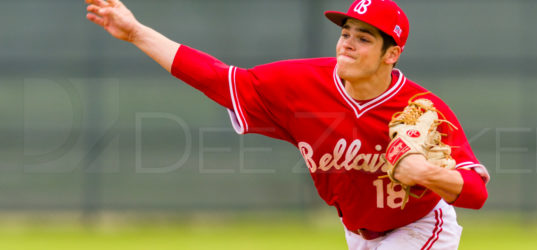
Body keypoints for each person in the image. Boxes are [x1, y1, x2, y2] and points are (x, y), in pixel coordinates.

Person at [85, 0, 490, 249]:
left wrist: (427, 172)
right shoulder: (301, 84)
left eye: (364, 38)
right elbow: (214, 76)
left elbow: (475, 193)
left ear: (391, 54)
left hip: (419, 227)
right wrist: (137, 33)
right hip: (359, 233)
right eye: (346, 32)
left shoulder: (421, 109)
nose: (347, 42)